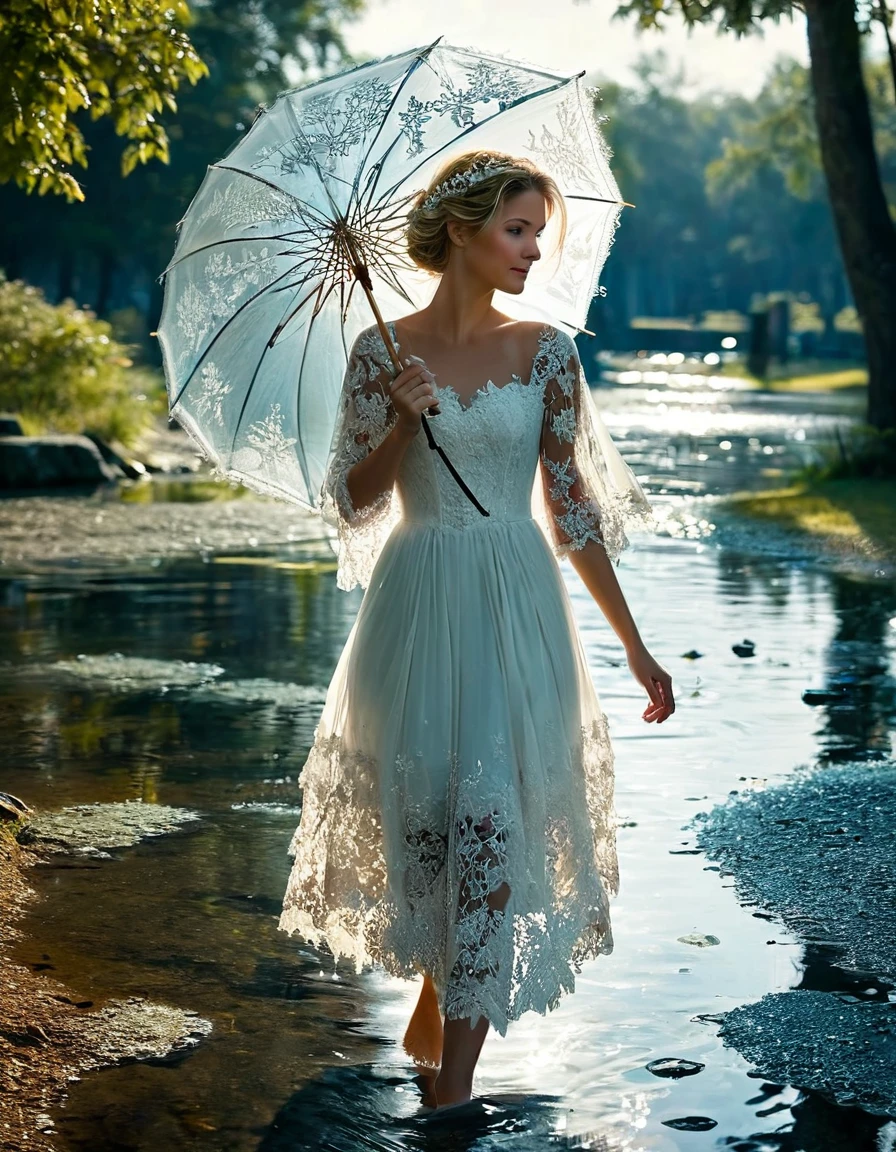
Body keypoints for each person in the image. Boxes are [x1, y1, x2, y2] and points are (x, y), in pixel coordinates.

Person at [278, 149, 674, 1118]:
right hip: (415, 601)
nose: (532, 251)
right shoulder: (383, 354)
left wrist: (631, 642)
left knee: (489, 826)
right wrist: (400, 427)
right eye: (516, 229)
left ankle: (449, 1095)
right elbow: (351, 503)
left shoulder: (544, 350)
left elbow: (569, 504)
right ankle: (432, 1012)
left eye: (538, 231)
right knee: (423, 840)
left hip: (514, 597)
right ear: (460, 231)